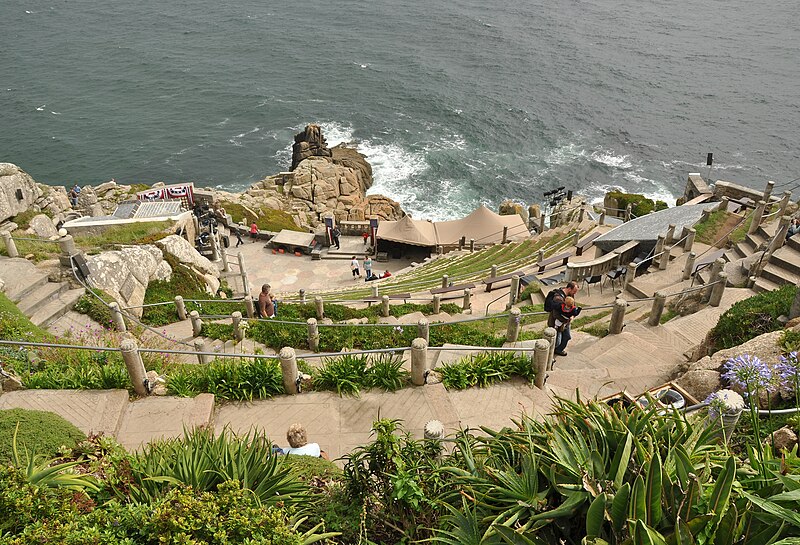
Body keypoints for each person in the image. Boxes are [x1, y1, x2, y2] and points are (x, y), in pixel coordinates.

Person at [546, 281, 580, 356]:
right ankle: (550, 353)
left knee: (567, 337)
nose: (574, 294)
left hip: (565, 323)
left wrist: (572, 316)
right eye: (574, 291)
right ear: (569, 288)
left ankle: (558, 350)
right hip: (556, 323)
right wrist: (568, 319)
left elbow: (573, 306)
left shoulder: (570, 295)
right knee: (556, 341)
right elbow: (556, 314)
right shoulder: (558, 298)